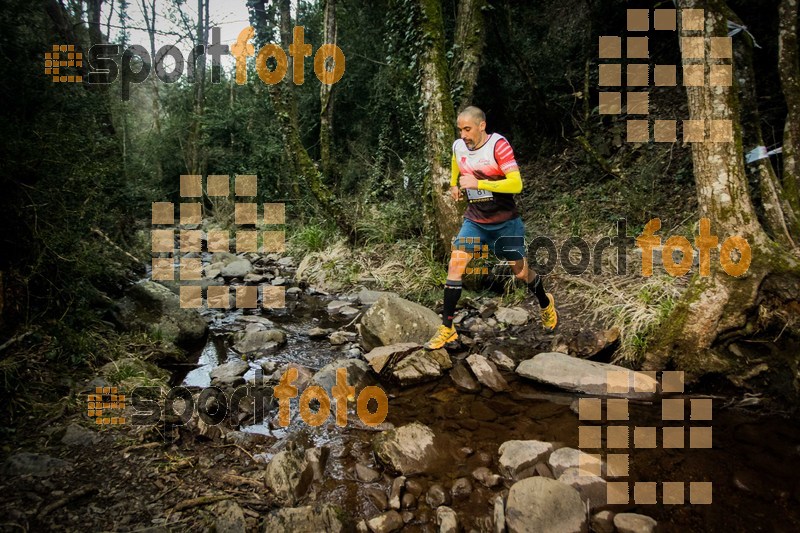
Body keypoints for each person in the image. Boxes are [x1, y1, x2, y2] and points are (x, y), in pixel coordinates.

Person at [424, 106, 557, 350]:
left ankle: (545, 302)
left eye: (467, 129)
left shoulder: (498, 145)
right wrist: (455, 185)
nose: (463, 135)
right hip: (475, 221)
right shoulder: (458, 146)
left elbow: (516, 184)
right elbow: (457, 162)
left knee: (520, 272)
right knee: (455, 265)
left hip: (505, 222)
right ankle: (447, 328)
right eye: (460, 129)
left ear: (481, 125)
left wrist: (480, 182)